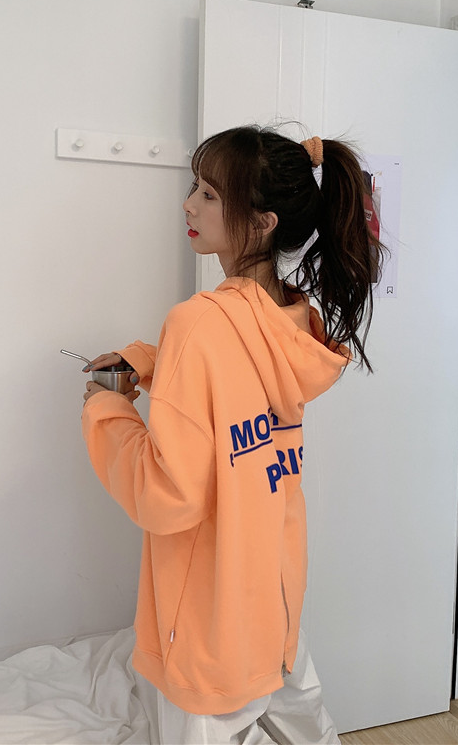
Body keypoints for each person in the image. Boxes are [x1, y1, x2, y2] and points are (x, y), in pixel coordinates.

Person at [80, 125, 385, 744]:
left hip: (208, 614)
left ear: (264, 222)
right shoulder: (295, 321)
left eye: (210, 195)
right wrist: (150, 360)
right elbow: (236, 390)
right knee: (305, 725)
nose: (188, 205)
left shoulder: (198, 323)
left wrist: (106, 410)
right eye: (196, 187)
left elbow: (169, 494)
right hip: (275, 592)